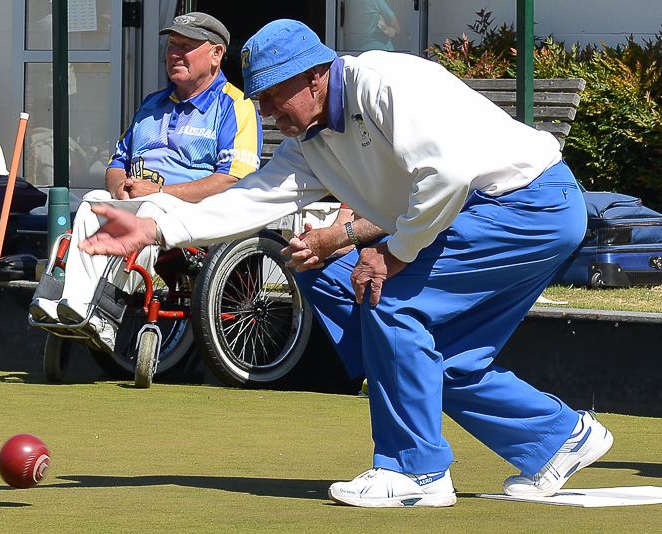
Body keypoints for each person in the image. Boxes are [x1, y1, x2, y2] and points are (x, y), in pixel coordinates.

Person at [77, 19, 614, 507]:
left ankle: (415, 472)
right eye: (259, 100)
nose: (266, 113)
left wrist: (394, 253)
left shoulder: (384, 83)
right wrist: (155, 226)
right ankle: (556, 438)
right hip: (488, 213)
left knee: (390, 300)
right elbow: (254, 197)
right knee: (425, 349)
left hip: (526, 204)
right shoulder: (307, 141)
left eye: (272, 97)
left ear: (314, 77)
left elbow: (446, 176)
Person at [29, 12, 262, 352]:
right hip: (141, 202)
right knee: (93, 202)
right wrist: (118, 186)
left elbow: (232, 179)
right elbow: (116, 162)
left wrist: (160, 191)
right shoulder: (152, 104)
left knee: (151, 208)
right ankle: (72, 306)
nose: (175, 54)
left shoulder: (235, 106)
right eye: (171, 45)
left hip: (194, 215)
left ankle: (106, 314)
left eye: (186, 46)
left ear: (216, 54)